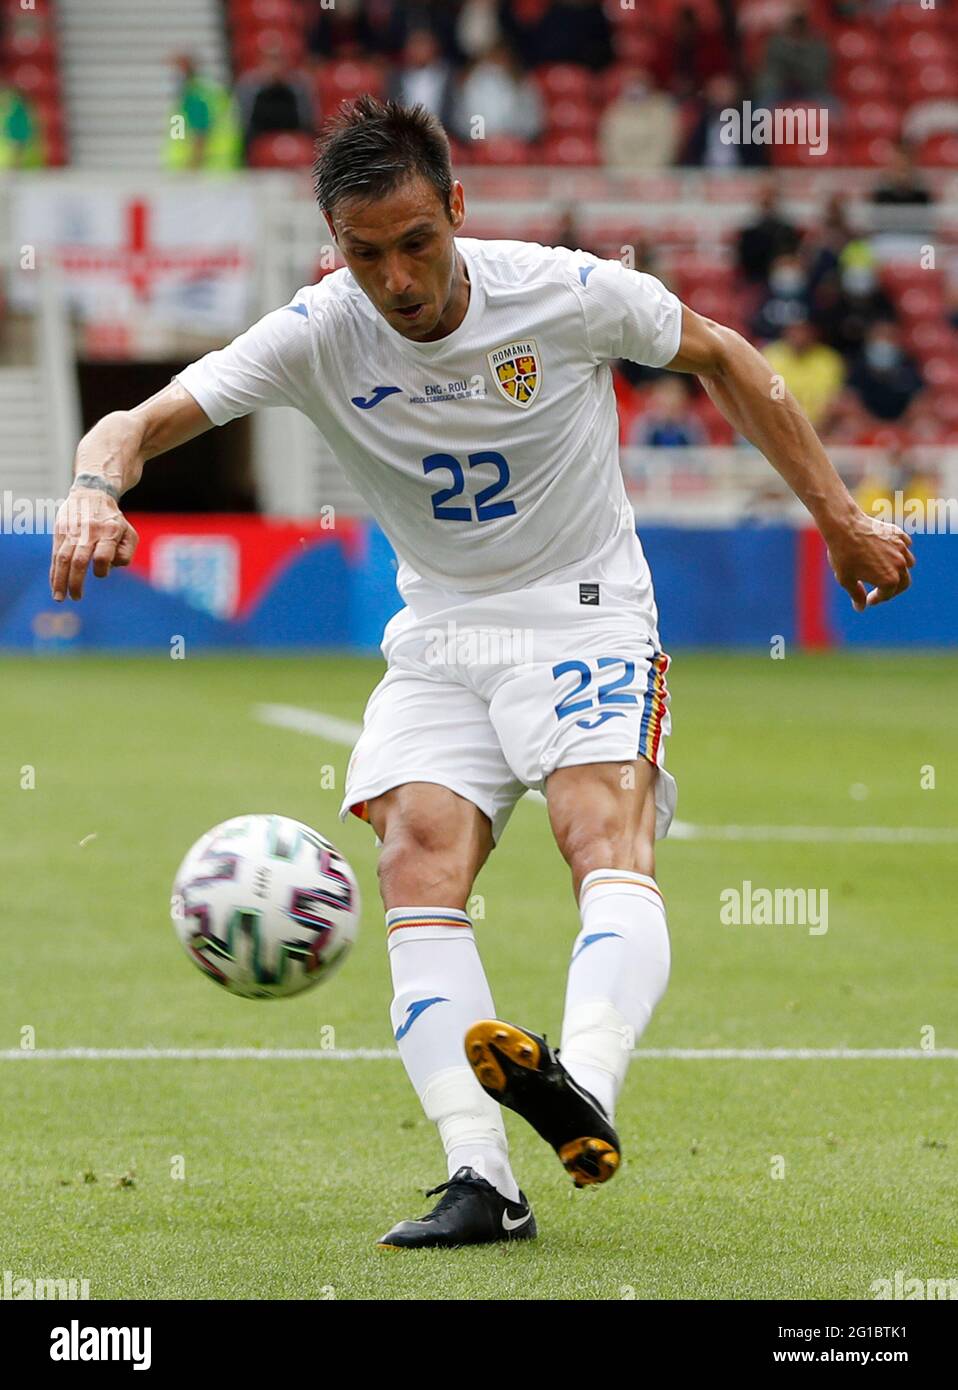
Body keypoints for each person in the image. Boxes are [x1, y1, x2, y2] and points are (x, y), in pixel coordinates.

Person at [51, 96, 914, 1250]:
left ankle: (586, 1086)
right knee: (414, 858)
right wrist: (94, 488)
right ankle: (481, 1177)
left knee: (595, 828)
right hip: (442, 633)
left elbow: (724, 357)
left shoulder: (562, 290)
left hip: (586, 610)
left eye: (416, 242)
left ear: (457, 208)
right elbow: (133, 422)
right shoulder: (318, 331)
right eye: (366, 255)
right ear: (334, 246)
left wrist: (841, 519)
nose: (397, 277)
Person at [452, 40, 543, 145]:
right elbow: (462, 119)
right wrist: (481, 136)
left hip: (516, 144)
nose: (495, 62)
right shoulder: (470, 81)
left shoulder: (523, 83)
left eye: (500, 56)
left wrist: (512, 136)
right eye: (492, 56)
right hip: (478, 145)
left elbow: (532, 122)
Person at [763, 317, 845, 429]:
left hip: (822, 428)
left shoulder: (829, 360)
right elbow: (766, 399)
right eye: (794, 330)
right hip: (777, 425)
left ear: (813, 332)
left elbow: (836, 400)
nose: (799, 335)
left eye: (803, 330)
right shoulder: (770, 355)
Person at [163, 55, 241, 171]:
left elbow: (200, 135)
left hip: (205, 174)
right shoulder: (204, 94)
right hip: (215, 172)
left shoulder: (195, 97)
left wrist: (191, 168)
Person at [235, 43, 314, 154]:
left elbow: (306, 121)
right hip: (259, 140)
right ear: (261, 63)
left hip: (292, 139)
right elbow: (244, 123)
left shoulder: (298, 86)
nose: (275, 67)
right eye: (270, 61)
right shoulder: (249, 86)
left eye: (278, 60)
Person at [599, 69, 679, 172]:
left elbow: (665, 146)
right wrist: (625, 171)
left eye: (639, 83)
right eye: (631, 83)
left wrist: (647, 172)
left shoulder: (662, 111)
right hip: (622, 174)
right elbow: (609, 146)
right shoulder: (614, 111)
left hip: (655, 173)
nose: (635, 88)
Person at [847, 321, 924, 422]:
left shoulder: (909, 365)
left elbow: (919, 399)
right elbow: (850, 398)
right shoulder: (857, 366)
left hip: (903, 425)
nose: (883, 343)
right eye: (878, 337)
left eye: (888, 337)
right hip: (865, 424)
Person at [737, 180, 801, 285]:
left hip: (782, 282)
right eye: (764, 197)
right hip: (756, 281)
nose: (768, 201)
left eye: (771, 197)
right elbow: (746, 262)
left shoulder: (786, 230)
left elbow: (792, 257)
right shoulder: (749, 233)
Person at [629, 376, 707, 446]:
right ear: (656, 397)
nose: (670, 400)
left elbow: (700, 451)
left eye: (675, 393)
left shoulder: (691, 422)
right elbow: (637, 452)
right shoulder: (646, 422)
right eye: (666, 394)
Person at [0, 80, 43, 169]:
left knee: (18, 149)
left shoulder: (21, 107)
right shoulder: (14, 106)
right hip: (16, 131)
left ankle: (16, 165)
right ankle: (15, 165)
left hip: (20, 131)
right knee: (16, 149)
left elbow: (29, 121)